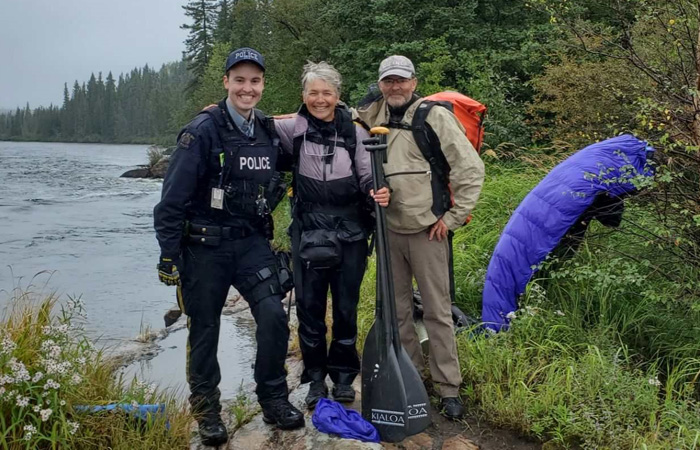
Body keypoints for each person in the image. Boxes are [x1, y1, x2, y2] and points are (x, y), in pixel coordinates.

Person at [153, 47, 304, 447]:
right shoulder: (201, 131)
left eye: (254, 81)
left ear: (262, 85)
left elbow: (308, 136)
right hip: (203, 247)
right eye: (239, 80)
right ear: (226, 83)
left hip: (252, 242)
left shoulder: (268, 131)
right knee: (204, 328)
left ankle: (273, 397)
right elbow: (170, 201)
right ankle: (207, 410)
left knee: (272, 315)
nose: (247, 88)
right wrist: (169, 254)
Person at [354, 55, 485, 420]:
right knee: (395, 312)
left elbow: (470, 168)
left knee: (438, 313)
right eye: (388, 81)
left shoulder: (433, 116)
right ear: (380, 84)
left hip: (428, 230)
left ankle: (449, 389)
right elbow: (324, 110)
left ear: (413, 82)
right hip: (388, 230)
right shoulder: (370, 113)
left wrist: (454, 217)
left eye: (401, 80)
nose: (395, 87)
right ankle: (410, 378)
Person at [274, 61, 390, 409]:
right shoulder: (291, 128)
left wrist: (377, 193)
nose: (320, 99)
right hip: (308, 231)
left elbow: (368, 176)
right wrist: (215, 110)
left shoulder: (356, 132)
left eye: (326, 92)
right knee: (309, 310)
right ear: (303, 95)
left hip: (350, 232)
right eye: (313, 93)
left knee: (345, 308)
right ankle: (314, 379)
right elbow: (251, 122)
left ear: (338, 96)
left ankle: (342, 376)